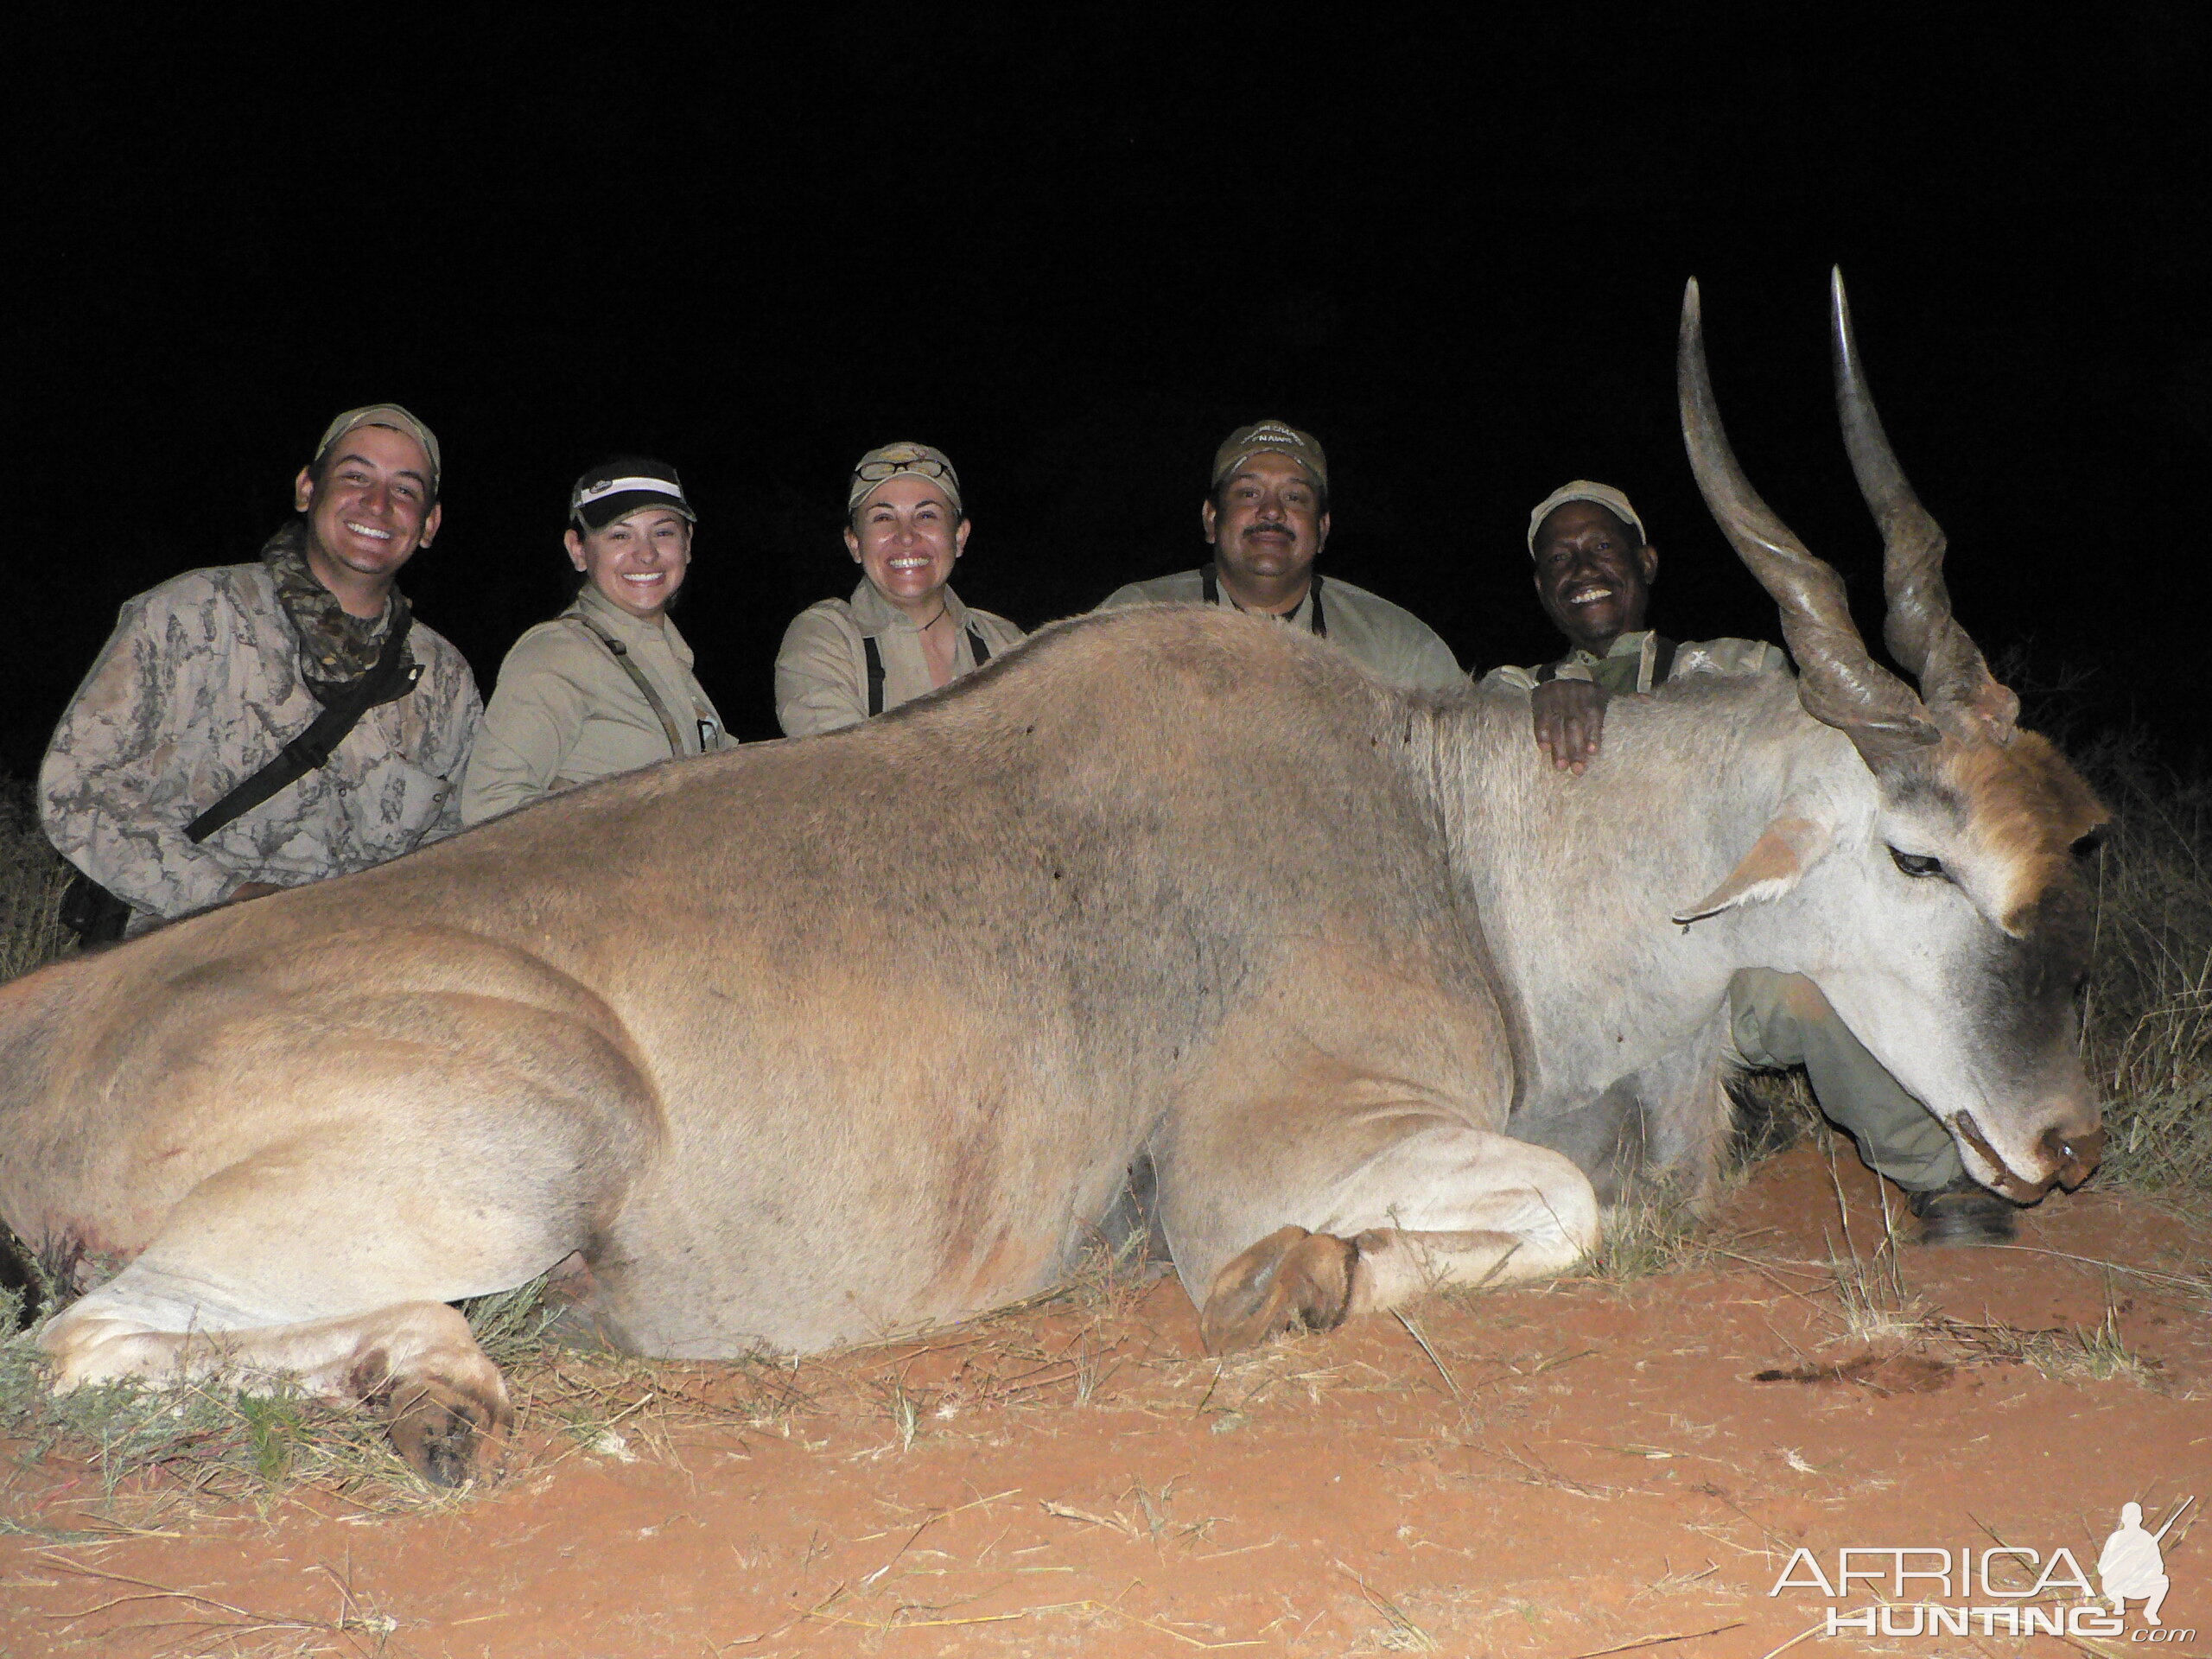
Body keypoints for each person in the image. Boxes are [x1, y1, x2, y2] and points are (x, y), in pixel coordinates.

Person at [1486, 480, 2014, 1244]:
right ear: (1540, 588)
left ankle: (1941, 1176)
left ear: (1646, 560)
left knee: (1803, 986)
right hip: (1578, 1000)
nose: (1583, 567)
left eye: (1602, 546)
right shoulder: (1504, 696)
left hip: (1717, 972)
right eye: (1560, 558)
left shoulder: (1742, 672)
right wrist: (1528, 711)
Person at [41, 404, 480, 938]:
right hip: (182, 947)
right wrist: (228, 898)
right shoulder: (192, 614)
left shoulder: (445, 679)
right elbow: (77, 787)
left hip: (357, 963)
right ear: (306, 489)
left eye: (405, 490)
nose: (378, 503)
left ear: (429, 524)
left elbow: (456, 845)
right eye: (355, 476)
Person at [1096, 419, 1465, 692]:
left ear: (1322, 530)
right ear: (1211, 519)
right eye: (1249, 494)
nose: (1271, 512)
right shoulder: (1132, 619)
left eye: (1294, 498)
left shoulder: (1397, 646)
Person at [461, 459, 728, 823]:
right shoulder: (559, 652)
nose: (646, 553)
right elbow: (490, 808)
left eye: (663, 532)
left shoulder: (669, 659)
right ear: (579, 550)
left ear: (688, 544)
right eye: (620, 535)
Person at [775, 441, 1024, 737]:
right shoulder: (824, 639)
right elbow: (841, 771)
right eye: (883, 517)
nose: (905, 536)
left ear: (959, 537)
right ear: (855, 544)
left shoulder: (1008, 645)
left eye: (926, 515)